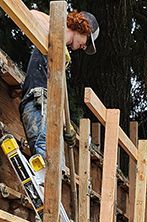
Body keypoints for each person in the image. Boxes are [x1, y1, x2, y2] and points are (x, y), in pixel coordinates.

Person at [20, 8, 100, 161]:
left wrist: (66, 126)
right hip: (38, 103)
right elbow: (31, 13)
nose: (84, 47)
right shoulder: (51, 37)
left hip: (47, 108)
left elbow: (57, 94)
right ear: (83, 28)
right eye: (87, 42)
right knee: (46, 160)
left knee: (57, 165)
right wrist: (59, 29)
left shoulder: (62, 56)